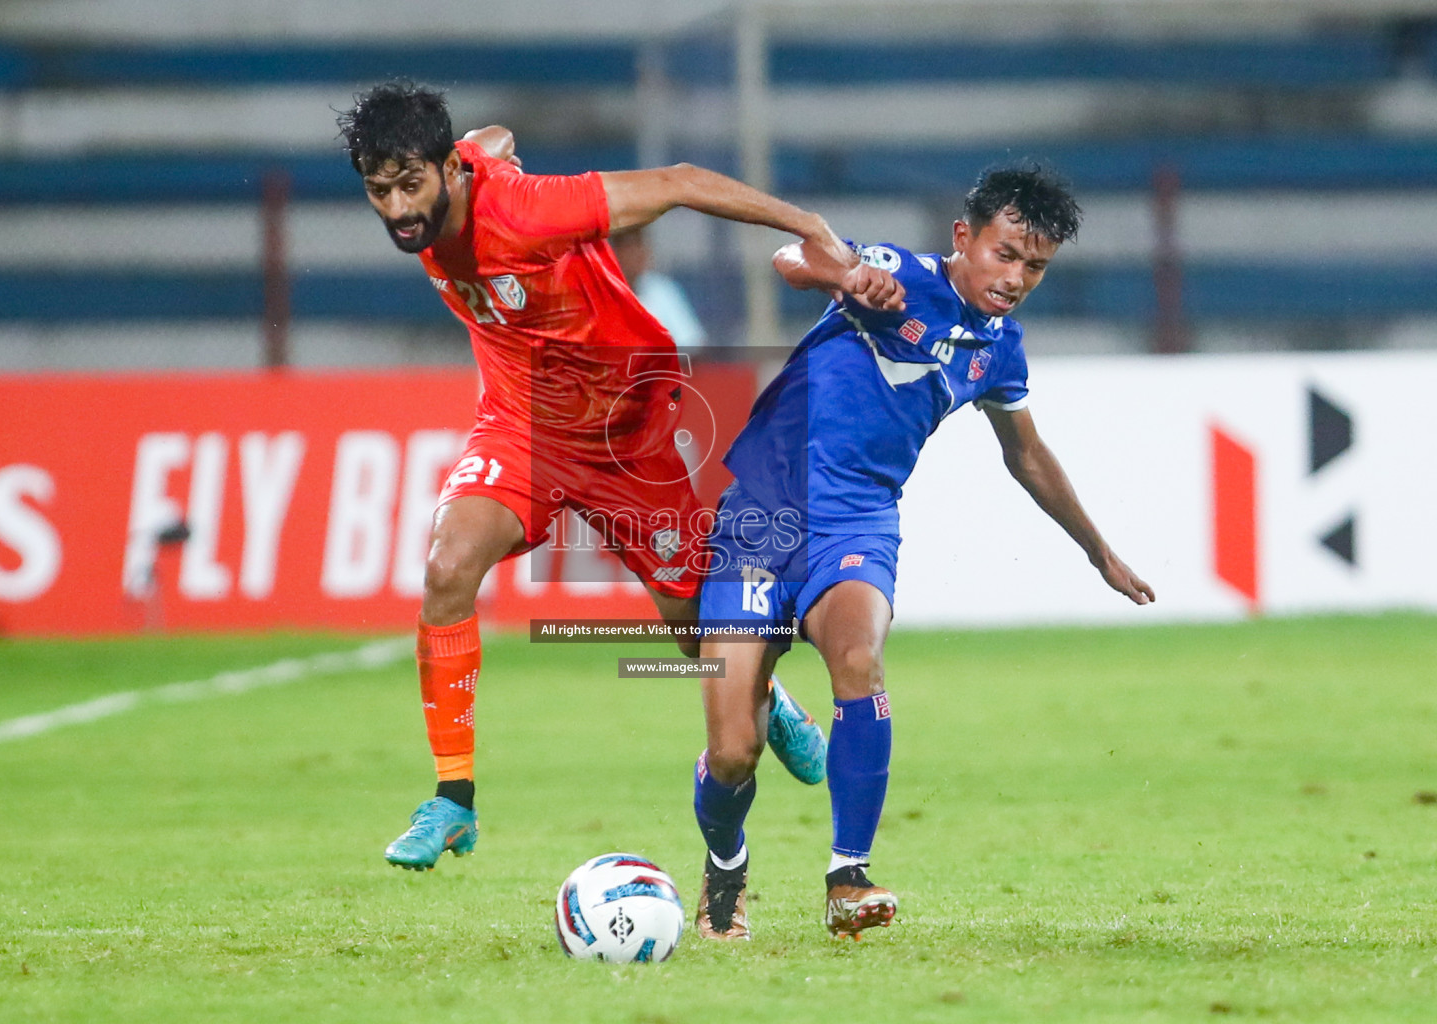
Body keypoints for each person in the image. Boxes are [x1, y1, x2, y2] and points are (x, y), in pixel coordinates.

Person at [336, 82, 832, 872]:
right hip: (522, 426)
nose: (396, 208)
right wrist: (484, 143)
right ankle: (452, 800)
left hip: (625, 433)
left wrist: (810, 226)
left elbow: (676, 181)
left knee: (696, 635)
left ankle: (770, 706)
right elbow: (488, 136)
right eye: (377, 190)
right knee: (446, 567)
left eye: (409, 185)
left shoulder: (529, 210)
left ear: (445, 172)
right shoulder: (453, 172)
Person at [689, 166, 1156, 939]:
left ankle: (848, 875)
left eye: (1034, 266)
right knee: (733, 752)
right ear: (964, 238)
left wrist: (1097, 551)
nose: (1016, 279)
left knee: (859, 660)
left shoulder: (1000, 351)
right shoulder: (900, 272)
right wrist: (847, 277)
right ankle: (725, 868)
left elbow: (1027, 455)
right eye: (1006, 254)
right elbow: (793, 259)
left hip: (859, 522)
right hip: (759, 520)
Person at [611, 226, 708, 349]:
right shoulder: (601, 293)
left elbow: (691, 343)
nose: (638, 254)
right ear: (614, 252)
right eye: (629, 247)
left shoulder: (663, 290)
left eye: (640, 245)